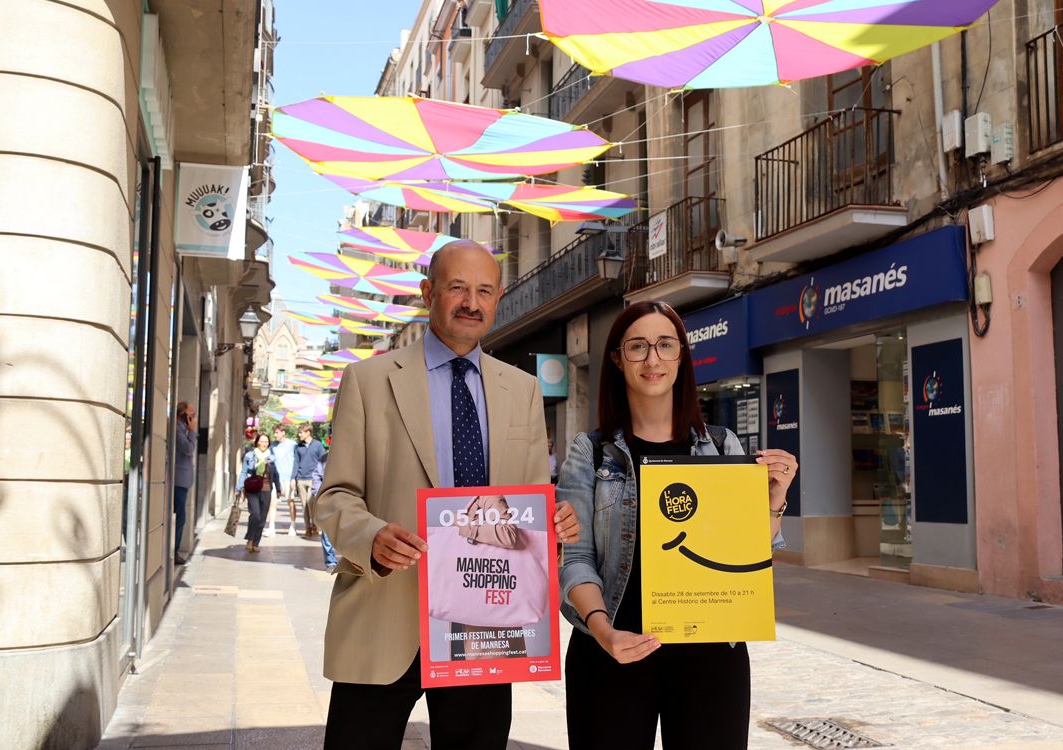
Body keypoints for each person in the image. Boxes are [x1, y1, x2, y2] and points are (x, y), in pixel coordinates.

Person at [314, 240, 582, 750]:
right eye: (457, 287)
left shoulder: (522, 390)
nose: (471, 303)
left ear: (499, 297)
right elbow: (334, 496)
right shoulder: (368, 381)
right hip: (384, 614)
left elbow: (528, 504)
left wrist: (554, 526)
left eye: (484, 291)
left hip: (482, 624)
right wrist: (371, 536)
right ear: (428, 293)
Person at [557, 300, 798, 750]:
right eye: (638, 346)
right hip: (612, 651)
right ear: (617, 357)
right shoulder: (589, 453)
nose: (653, 359)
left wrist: (773, 501)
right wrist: (602, 629)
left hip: (710, 660)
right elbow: (575, 559)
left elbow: (746, 558)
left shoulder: (724, 446)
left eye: (665, 345)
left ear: (682, 356)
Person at [235, 433, 283, 554]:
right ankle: (250, 540)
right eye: (261, 441)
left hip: (266, 489)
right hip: (252, 488)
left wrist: (278, 489)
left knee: (262, 518)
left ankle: (256, 543)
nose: (264, 444)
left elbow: (275, 474)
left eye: (266, 442)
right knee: (255, 514)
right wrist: (239, 488)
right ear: (257, 442)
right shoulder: (249, 455)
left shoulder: (271, 458)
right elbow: (244, 472)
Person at [173, 401, 198, 566]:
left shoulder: (182, 429)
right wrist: (193, 431)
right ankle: (173, 552)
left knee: (180, 517)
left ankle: (173, 551)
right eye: (192, 414)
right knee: (179, 517)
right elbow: (188, 449)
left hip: (182, 480)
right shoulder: (177, 429)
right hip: (177, 480)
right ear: (185, 416)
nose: (195, 417)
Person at [292, 424, 325, 537]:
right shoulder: (298, 447)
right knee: (304, 505)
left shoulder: (318, 445)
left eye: (301, 432)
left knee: (311, 503)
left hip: (313, 479)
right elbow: (295, 463)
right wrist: (293, 478)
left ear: (308, 433)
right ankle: (308, 528)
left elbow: (323, 462)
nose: (299, 434)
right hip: (301, 479)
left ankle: (314, 525)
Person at [309, 449, 338, 573]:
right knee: (327, 532)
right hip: (328, 501)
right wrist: (319, 494)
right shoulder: (325, 458)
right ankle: (331, 561)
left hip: (350, 502)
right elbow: (316, 476)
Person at [270, 424, 297, 534]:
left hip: (288, 478)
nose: (275, 435)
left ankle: (293, 525)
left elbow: (296, 461)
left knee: (290, 502)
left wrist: (293, 478)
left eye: (277, 432)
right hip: (276, 479)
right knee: (273, 503)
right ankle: (271, 527)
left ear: (283, 432)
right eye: (274, 432)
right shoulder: (272, 446)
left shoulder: (293, 445)